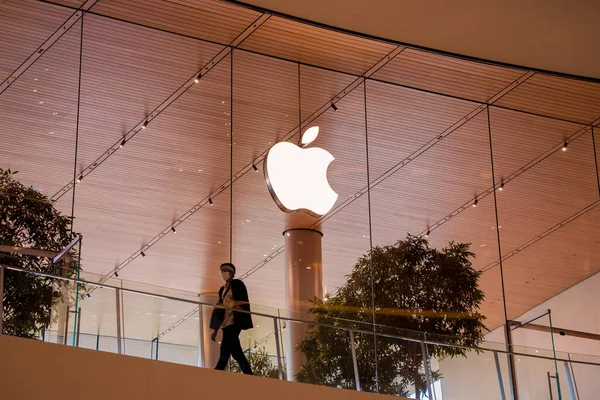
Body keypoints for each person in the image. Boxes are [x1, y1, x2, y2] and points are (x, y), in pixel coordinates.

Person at [209, 262, 253, 374]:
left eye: (224, 271)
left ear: (231, 272)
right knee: (235, 350)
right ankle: (249, 373)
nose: (222, 273)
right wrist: (215, 328)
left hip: (234, 321)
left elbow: (242, 301)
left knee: (225, 347)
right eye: (221, 271)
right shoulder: (222, 289)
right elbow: (220, 308)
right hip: (225, 323)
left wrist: (236, 306)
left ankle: (218, 371)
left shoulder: (237, 284)